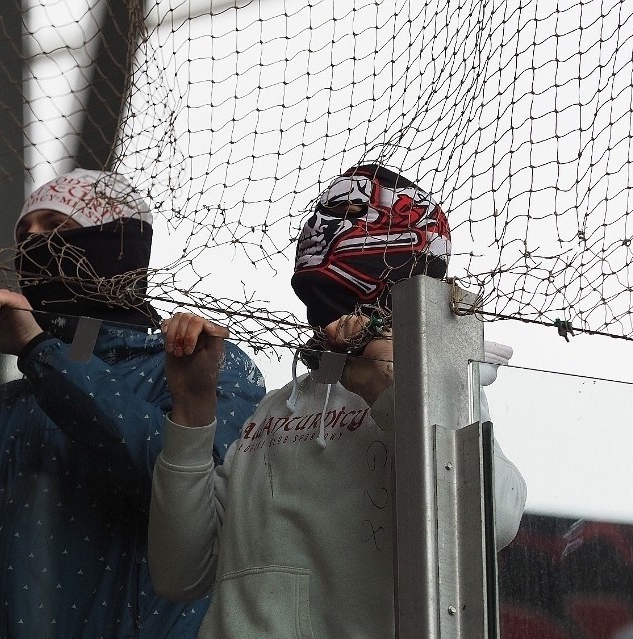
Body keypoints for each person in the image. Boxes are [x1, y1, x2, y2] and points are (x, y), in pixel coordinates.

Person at [0, 168, 266, 638]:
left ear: (118, 246)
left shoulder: (197, 366)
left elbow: (187, 488)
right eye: (24, 232)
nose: (34, 241)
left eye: (57, 228)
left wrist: (40, 352)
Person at [148, 164, 527, 638]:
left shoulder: (439, 390)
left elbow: (499, 518)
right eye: (324, 210)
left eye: (349, 210)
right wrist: (191, 408)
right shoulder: (274, 409)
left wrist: (386, 387)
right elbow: (179, 573)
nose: (324, 225)